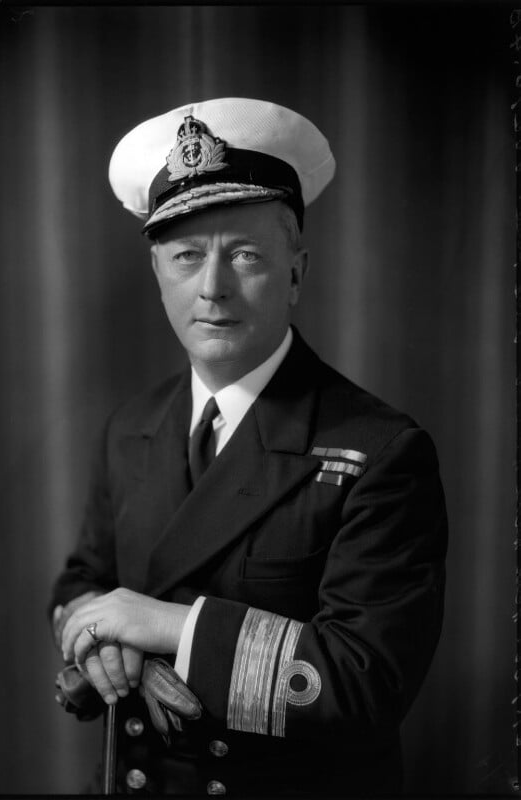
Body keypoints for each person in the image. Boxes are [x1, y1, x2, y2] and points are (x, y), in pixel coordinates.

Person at [50, 97, 448, 796]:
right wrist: (98, 639)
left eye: (245, 255)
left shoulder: (380, 451)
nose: (213, 288)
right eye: (186, 257)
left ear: (295, 272)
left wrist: (164, 626)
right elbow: (83, 580)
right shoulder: (130, 425)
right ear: (158, 274)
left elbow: (365, 684)